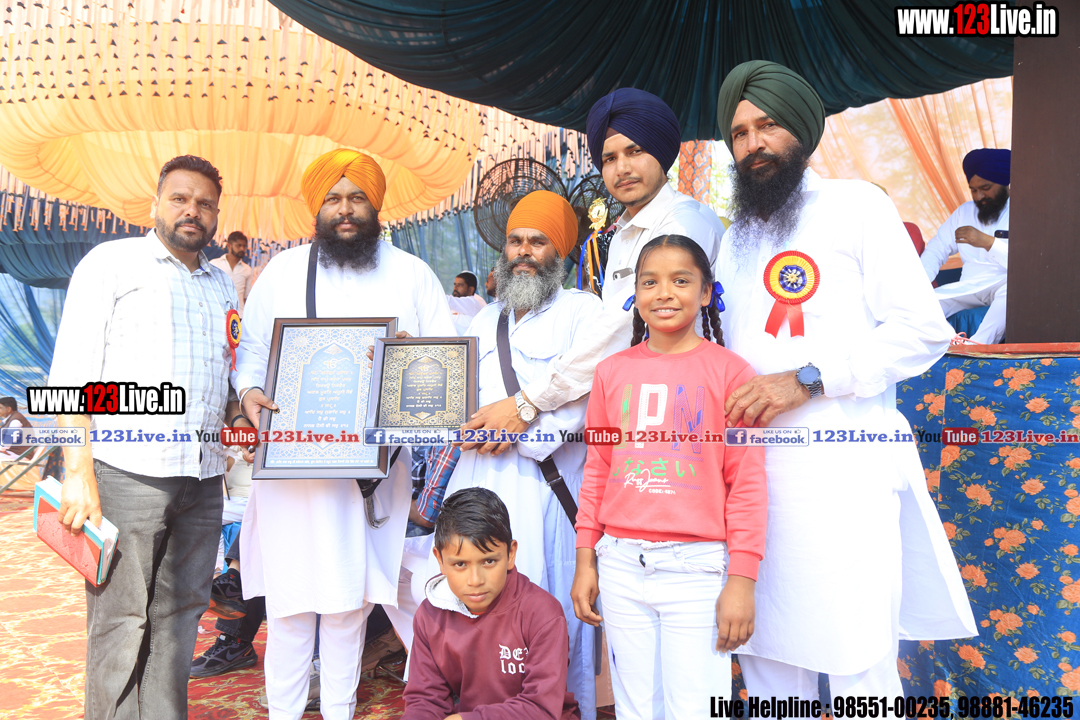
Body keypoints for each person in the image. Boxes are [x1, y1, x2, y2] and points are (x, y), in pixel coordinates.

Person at [713, 60, 976, 700]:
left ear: (801, 130)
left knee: (859, 660)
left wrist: (808, 379)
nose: (753, 144)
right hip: (751, 488)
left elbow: (922, 330)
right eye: (740, 133)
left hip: (841, 478)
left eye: (768, 126)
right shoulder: (734, 237)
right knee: (768, 662)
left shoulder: (855, 206)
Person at [233, 148, 456, 720]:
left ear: (375, 206)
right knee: (289, 609)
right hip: (292, 470)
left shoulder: (412, 274)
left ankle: (338, 711)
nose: (345, 209)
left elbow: (444, 369)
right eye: (333, 199)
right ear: (317, 209)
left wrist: (411, 364)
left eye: (357, 198)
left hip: (372, 476)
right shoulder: (283, 272)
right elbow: (251, 354)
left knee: (348, 607)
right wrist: (249, 394)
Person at [47, 155, 240, 719]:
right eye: (180, 198)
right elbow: (72, 373)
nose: (191, 211)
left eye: (204, 203)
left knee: (180, 618)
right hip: (127, 473)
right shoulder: (112, 263)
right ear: (155, 204)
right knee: (120, 620)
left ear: (216, 215)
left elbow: (222, 377)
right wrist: (78, 473)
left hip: (202, 478)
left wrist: (242, 415)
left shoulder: (221, 284)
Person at [460, 88, 725, 455]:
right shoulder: (620, 235)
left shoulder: (683, 223)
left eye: (635, 151)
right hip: (632, 410)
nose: (623, 168)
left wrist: (528, 402)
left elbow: (620, 325)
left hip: (681, 410)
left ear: (661, 154)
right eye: (609, 158)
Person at [570, 234, 766, 720]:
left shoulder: (732, 373)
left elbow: (746, 485)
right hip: (620, 564)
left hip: (697, 570)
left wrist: (742, 580)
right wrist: (586, 559)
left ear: (706, 292)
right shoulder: (611, 372)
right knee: (636, 707)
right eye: (649, 282)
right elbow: (598, 470)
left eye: (681, 281)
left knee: (695, 708)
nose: (664, 293)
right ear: (635, 293)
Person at [435, 190, 602, 718]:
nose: (524, 251)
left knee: (544, 616)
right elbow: (457, 396)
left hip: (545, 490)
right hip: (475, 481)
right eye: (515, 241)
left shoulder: (583, 312)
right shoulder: (484, 320)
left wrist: (518, 427)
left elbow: (585, 403)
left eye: (538, 241)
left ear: (561, 251)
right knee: (476, 619)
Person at [402, 487, 580, 720]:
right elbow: (425, 700)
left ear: (510, 554)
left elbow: (542, 708)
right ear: (440, 560)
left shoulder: (542, 613)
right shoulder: (430, 615)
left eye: (488, 561)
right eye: (460, 564)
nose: (475, 580)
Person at [920, 148, 1011, 344]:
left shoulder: (1024, 212)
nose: (979, 196)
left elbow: (1027, 266)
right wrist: (919, 284)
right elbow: (936, 250)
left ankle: (976, 345)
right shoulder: (964, 213)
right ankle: (948, 343)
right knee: (914, 305)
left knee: (1013, 291)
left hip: (1004, 283)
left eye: (985, 188)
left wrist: (988, 242)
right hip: (968, 288)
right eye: (973, 190)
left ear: (1004, 183)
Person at [210, 230, 256, 316]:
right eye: (238, 245)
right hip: (217, 313)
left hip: (239, 315)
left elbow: (246, 297)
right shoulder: (214, 264)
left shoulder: (247, 269)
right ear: (229, 246)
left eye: (244, 246)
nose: (242, 249)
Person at [446, 270, 487, 335]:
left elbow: (448, 300)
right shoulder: (454, 304)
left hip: (466, 341)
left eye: (460, 285)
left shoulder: (473, 303)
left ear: (470, 290)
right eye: (455, 284)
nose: (455, 288)